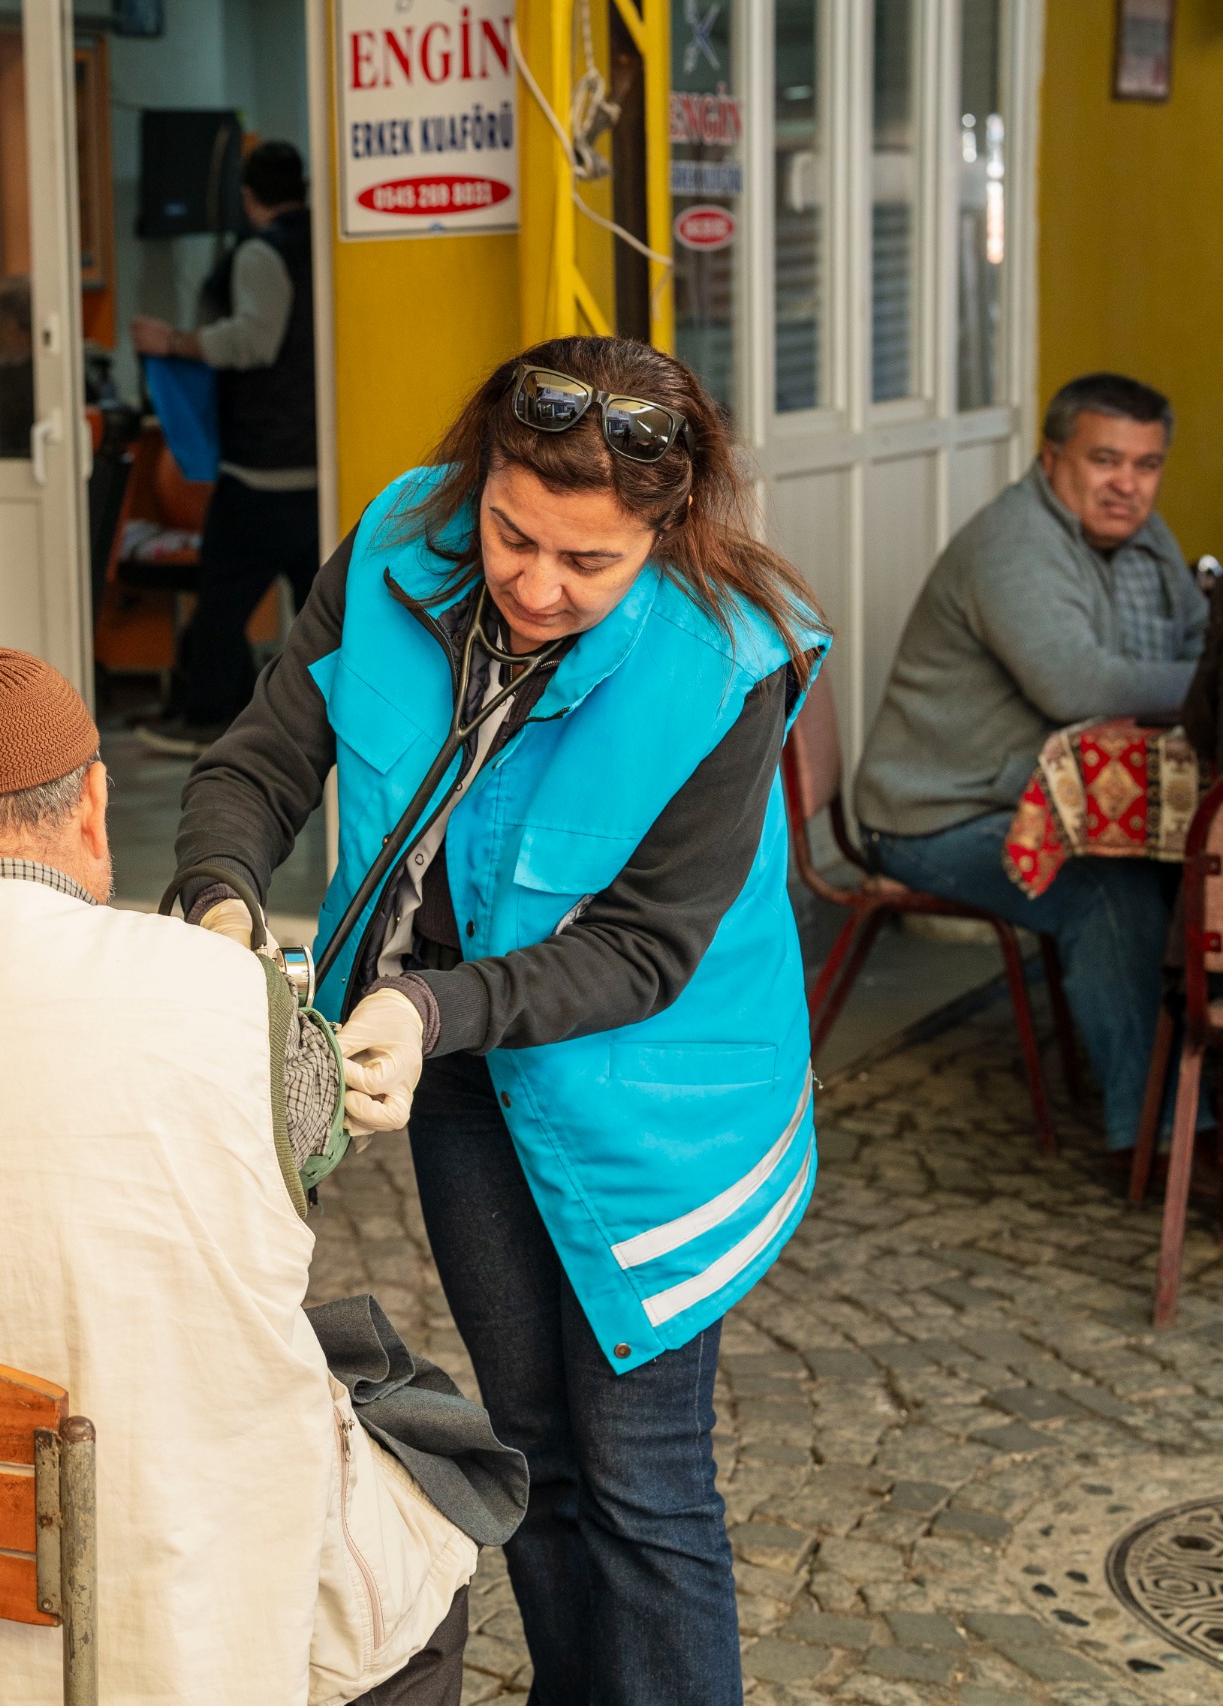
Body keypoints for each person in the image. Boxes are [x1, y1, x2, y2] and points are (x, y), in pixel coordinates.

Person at [169, 337, 828, 1702]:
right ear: (479, 475)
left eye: (588, 564)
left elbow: (644, 950)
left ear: (668, 529)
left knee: (644, 1478)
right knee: (529, 1438)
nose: (534, 585)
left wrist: (420, 1003)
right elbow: (265, 756)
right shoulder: (398, 537)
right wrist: (221, 902)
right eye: (512, 532)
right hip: (459, 1057)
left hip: (659, 1095)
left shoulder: (731, 661)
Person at [0, 636, 483, 1706]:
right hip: (171, 1624)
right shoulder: (227, 997)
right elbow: (305, 1148)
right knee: (422, 1570)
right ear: (92, 806)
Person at [854, 372, 1196, 1150]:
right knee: (1111, 885)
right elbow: (1081, 685)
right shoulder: (1016, 545)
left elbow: (1189, 638)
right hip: (937, 814)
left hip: (1028, 797)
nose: (1127, 485)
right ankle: (1163, 1134)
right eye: (1105, 460)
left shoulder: (1146, 539)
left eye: (1146, 466)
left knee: (1196, 868)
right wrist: (1213, 691)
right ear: (1051, 459)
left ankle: (1182, 1076)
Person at [131, 138, 319, 755]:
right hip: (319, 465)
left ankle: (207, 717)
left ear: (248, 196)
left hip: (263, 465)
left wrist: (174, 342)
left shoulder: (261, 253)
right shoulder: (325, 246)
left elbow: (253, 342)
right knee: (327, 609)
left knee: (221, 597)